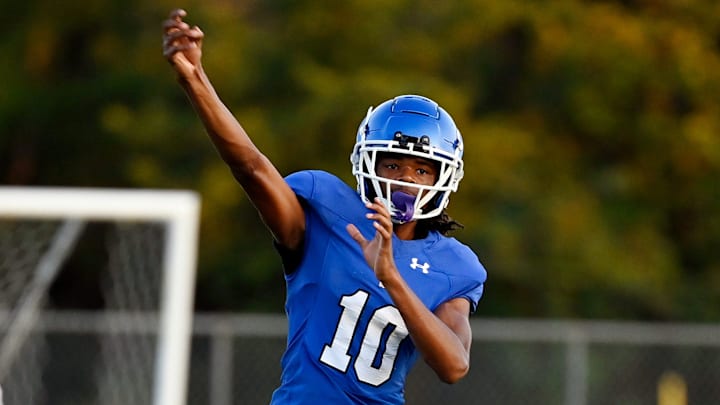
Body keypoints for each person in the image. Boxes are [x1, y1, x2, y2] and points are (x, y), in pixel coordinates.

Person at [162, 8, 487, 404]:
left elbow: (454, 366)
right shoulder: (327, 209)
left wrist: (391, 278)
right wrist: (196, 80)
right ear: (368, 162)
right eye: (393, 164)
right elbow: (251, 168)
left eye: (422, 170)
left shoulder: (456, 265)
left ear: (444, 177)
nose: (405, 179)